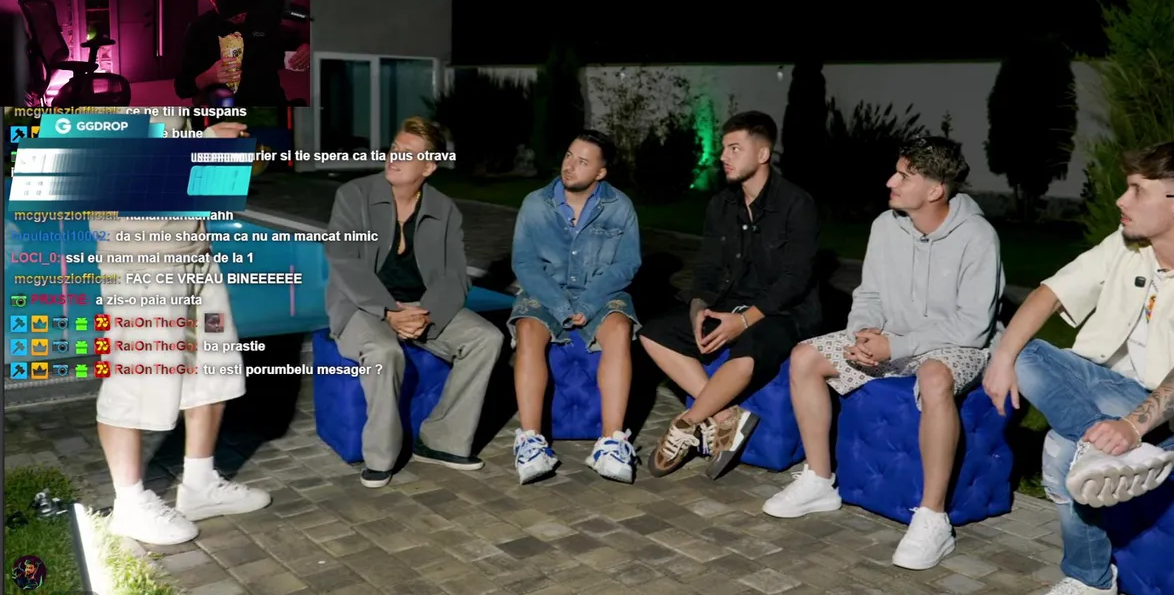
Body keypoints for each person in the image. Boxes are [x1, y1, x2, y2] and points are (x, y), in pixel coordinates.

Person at [982, 142, 1174, 595]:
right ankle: (1098, 447)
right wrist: (1002, 359)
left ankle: (1093, 587)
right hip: (1114, 394)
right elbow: (1050, 292)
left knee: (1061, 449)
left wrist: (1131, 428)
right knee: (1020, 350)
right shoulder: (1126, 244)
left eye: (1138, 190)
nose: (1122, 200)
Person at [762, 135, 1004, 570]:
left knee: (934, 376)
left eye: (904, 176)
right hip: (892, 337)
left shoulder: (978, 237)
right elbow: (869, 293)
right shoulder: (885, 226)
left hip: (958, 345)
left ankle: (932, 518)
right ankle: (819, 480)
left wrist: (899, 346)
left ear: (935, 190)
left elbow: (972, 325)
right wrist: (863, 332)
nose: (891, 181)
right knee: (805, 357)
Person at [91, 119, 271, 546]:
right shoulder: (108, 96)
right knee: (134, 379)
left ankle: (199, 484)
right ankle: (129, 505)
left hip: (193, 251)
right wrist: (206, 143)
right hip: (141, 258)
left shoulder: (176, 104)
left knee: (212, 368)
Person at [638, 111, 821, 479]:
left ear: (763, 154)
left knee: (748, 350)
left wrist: (744, 321)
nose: (724, 157)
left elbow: (795, 280)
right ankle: (725, 417)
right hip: (729, 303)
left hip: (783, 312)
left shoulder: (796, 204)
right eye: (724, 149)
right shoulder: (721, 204)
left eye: (735, 149)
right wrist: (698, 308)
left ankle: (687, 424)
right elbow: (707, 268)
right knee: (652, 333)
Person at [324, 117, 503, 489]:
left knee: (487, 339)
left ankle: (441, 441)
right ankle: (381, 458)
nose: (394, 157)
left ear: (429, 167)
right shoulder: (354, 195)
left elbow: (454, 276)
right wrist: (389, 312)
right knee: (385, 352)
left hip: (420, 306)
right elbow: (345, 261)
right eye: (394, 149)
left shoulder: (444, 209)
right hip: (363, 307)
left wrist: (426, 316)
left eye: (407, 153)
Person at [507, 131, 642, 484]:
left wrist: (588, 302)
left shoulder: (620, 206)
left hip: (600, 291)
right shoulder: (536, 204)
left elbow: (626, 264)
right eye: (569, 155)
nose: (570, 166)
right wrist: (560, 304)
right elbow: (525, 264)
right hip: (546, 290)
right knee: (527, 328)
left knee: (619, 327)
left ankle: (611, 443)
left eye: (583, 162)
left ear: (600, 172)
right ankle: (530, 442)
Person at [174, 0, 310, 107]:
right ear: (213, 1)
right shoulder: (199, 30)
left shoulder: (260, 17)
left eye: (242, 7)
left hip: (270, 100)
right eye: (232, 13)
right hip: (229, 107)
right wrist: (208, 77)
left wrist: (304, 46)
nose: (240, 15)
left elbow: (289, 40)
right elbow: (182, 88)